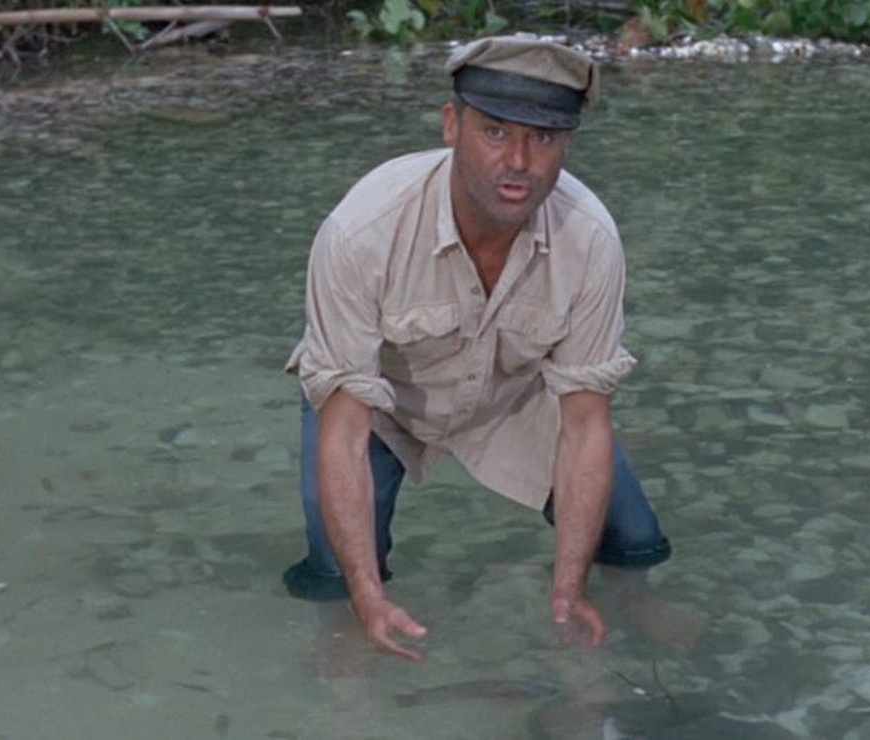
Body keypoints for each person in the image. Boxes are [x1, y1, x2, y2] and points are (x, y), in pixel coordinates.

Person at [282, 34, 671, 661]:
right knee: (336, 576)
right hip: (377, 406)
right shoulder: (360, 232)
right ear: (450, 126)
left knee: (635, 542)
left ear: (566, 144)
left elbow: (584, 424)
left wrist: (568, 589)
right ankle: (336, 654)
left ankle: (639, 626)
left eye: (543, 138)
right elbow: (345, 430)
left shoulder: (591, 239)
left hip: (514, 397)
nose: (519, 161)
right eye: (495, 132)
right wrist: (367, 597)